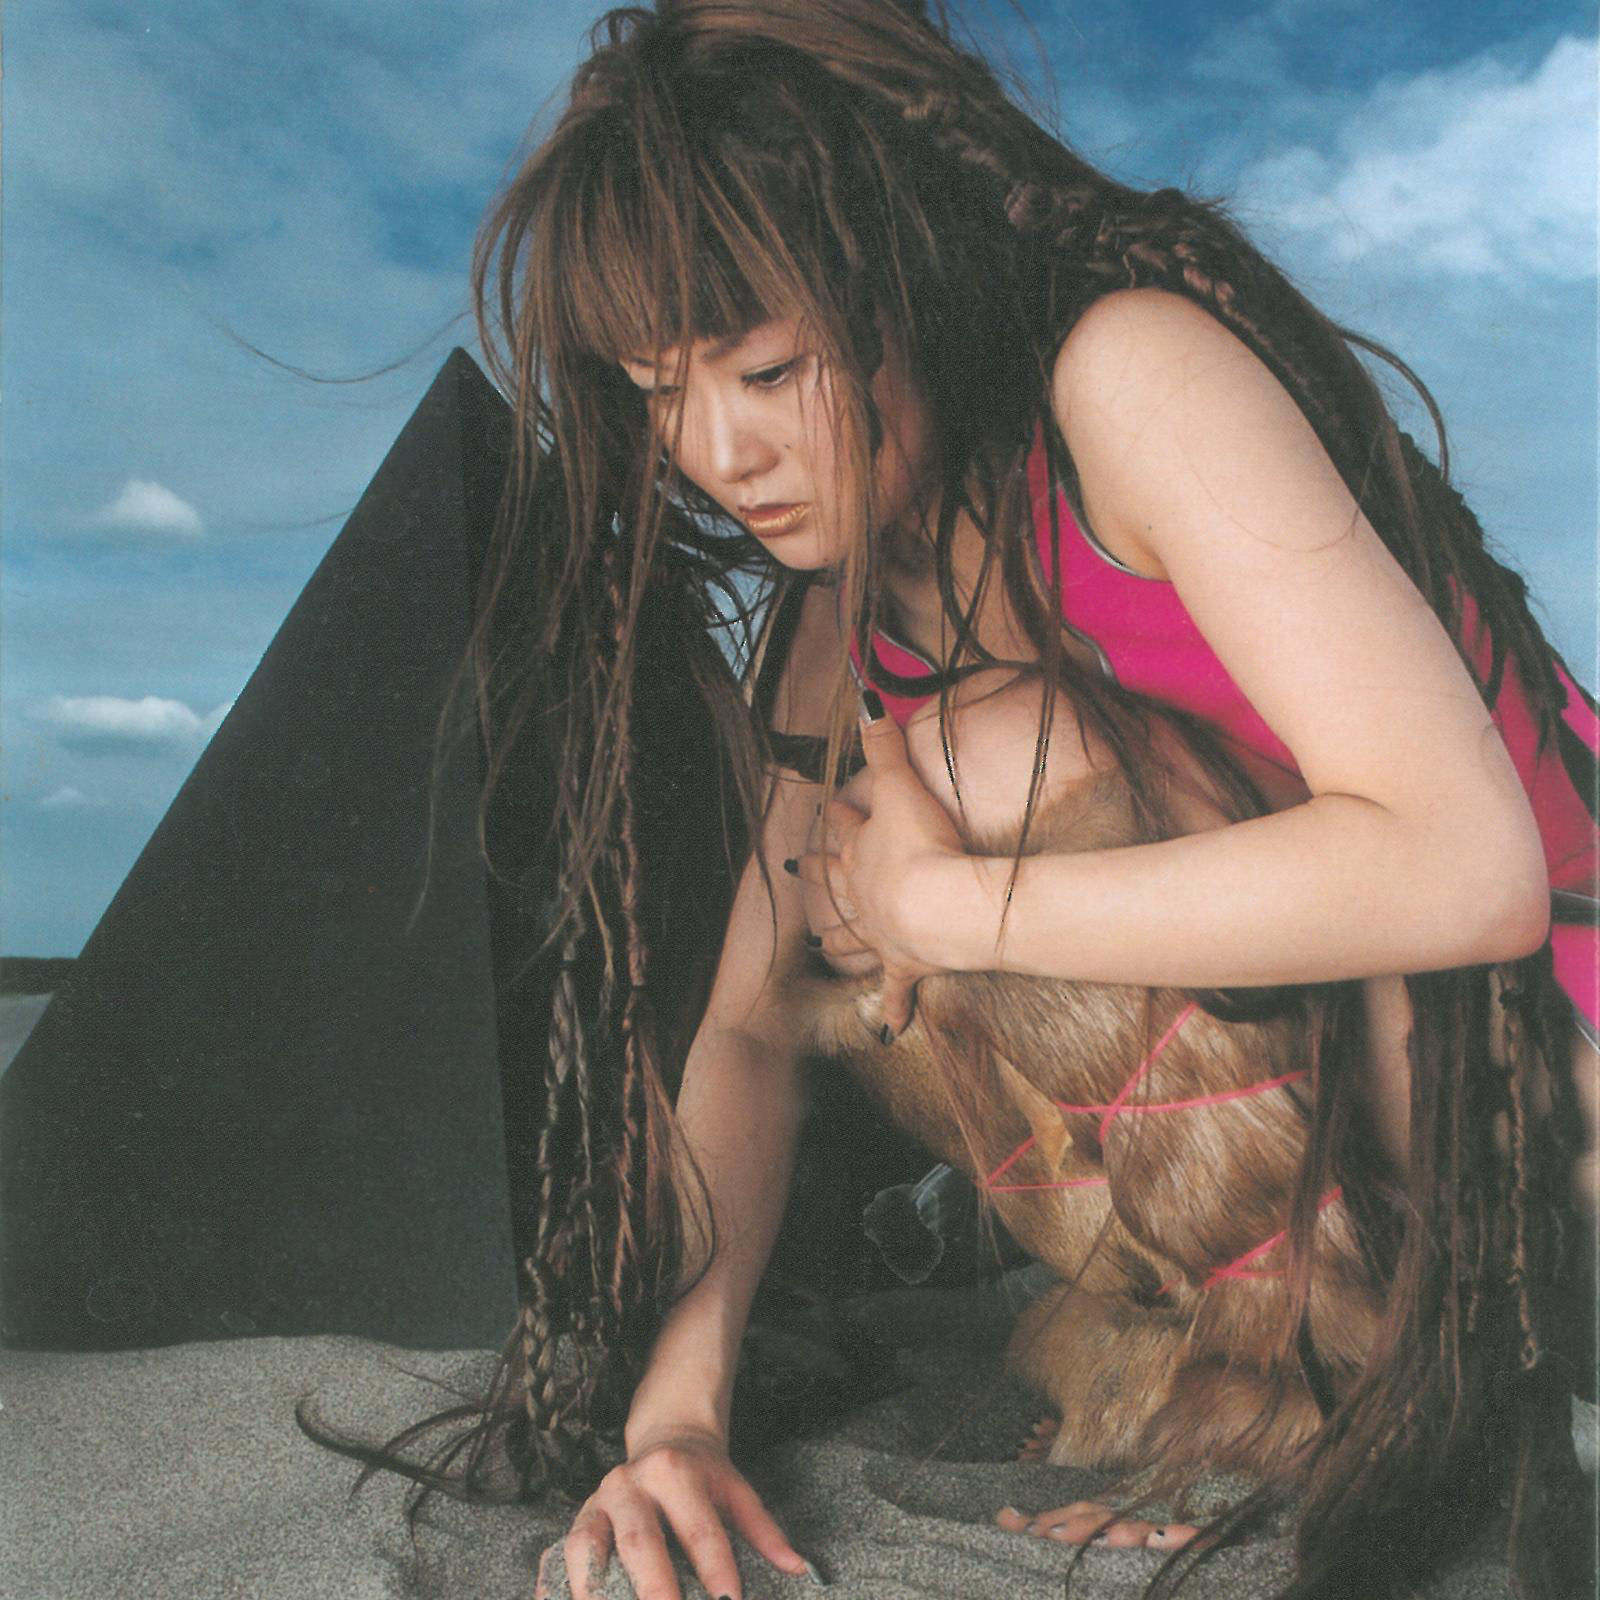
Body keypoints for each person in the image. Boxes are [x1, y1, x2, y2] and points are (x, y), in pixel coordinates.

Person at [435, 3, 1599, 1597]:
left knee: (975, 778)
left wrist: (945, 905)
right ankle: (1273, 1373)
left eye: (767, 369)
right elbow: (754, 1027)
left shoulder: (1128, 381)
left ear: (903, 278)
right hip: (1425, 1206)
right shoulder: (845, 619)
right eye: (658, 394)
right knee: (875, 824)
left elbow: (1470, 869)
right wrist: (677, 1418)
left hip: (1551, 1114)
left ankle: (1301, 1417)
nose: (718, 453)